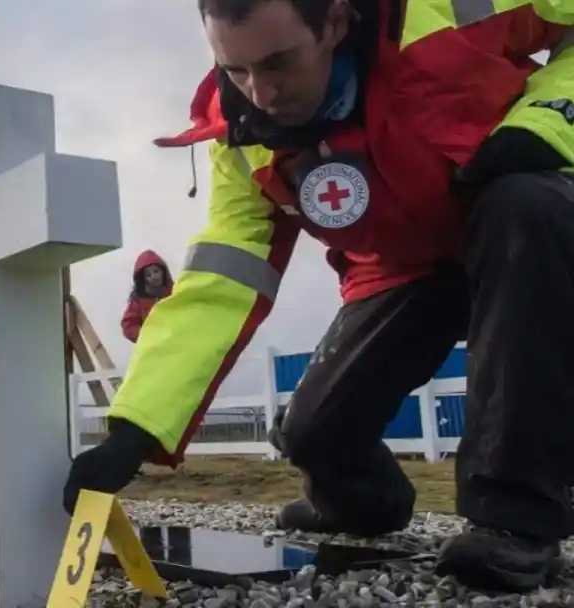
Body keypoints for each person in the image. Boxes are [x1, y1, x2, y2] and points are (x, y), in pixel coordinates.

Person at [63, 0, 574, 592]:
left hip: (520, 229)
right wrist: (138, 427)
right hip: (400, 272)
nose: (261, 93)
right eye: (236, 70)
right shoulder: (243, 140)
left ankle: (514, 522)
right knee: (311, 434)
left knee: (526, 210)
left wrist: (549, 119)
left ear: (334, 21)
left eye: (280, 62)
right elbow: (222, 282)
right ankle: (368, 504)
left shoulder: (442, 16)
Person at [121, 249, 175, 343]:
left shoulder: (175, 292)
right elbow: (128, 325)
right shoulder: (139, 301)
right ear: (144, 279)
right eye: (148, 275)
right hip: (153, 348)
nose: (153, 276)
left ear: (163, 271)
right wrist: (147, 336)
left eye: (156, 271)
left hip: (176, 342)